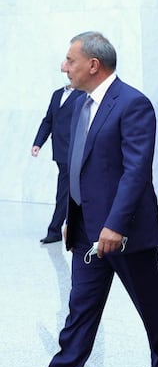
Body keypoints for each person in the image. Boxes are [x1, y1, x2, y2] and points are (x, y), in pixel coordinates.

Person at [10, 31, 158, 367]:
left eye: (69, 60)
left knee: (150, 305)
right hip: (86, 230)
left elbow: (136, 171)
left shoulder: (132, 103)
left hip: (126, 232)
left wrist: (114, 225)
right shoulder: (76, 107)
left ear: (93, 64)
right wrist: (74, 217)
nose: (63, 67)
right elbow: (75, 168)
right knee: (80, 310)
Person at [32, 64, 84, 243]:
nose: (66, 74)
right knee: (66, 190)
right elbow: (48, 121)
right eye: (63, 71)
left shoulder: (84, 95)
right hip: (61, 152)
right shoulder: (57, 95)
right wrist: (38, 143)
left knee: (67, 191)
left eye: (68, 70)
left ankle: (58, 229)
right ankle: (63, 229)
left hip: (76, 151)